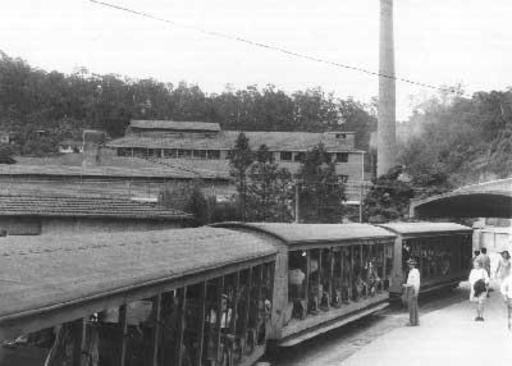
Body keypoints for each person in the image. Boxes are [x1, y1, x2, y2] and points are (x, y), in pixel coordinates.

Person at [403, 258, 420, 326]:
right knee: (414, 306)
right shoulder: (411, 271)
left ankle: (412, 322)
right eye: (408, 264)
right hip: (410, 288)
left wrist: (416, 292)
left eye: (410, 264)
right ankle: (416, 321)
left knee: (411, 306)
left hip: (412, 289)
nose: (409, 265)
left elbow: (416, 282)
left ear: (413, 265)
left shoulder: (415, 272)